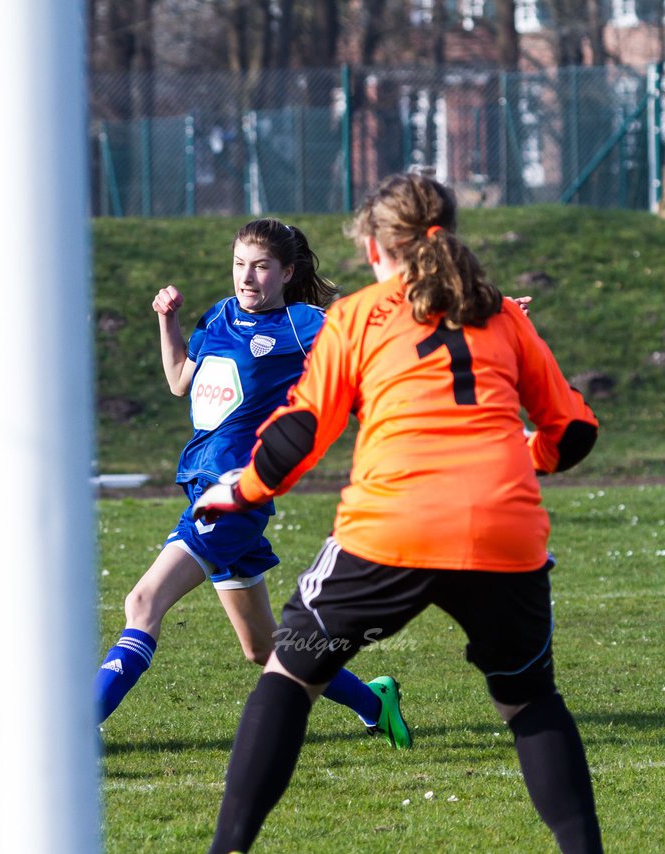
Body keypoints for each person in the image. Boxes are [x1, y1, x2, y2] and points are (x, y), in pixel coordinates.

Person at [194, 173, 601, 853]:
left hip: (392, 528)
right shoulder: (502, 314)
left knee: (290, 677)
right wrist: (516, 455)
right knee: (529, 702)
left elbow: (299, 435)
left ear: (377, 248)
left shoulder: (356, 315)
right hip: (504, 533)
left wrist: (241, 491)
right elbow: (574, 433)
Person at [93, 217, 409, 748]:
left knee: (143, 602)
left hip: (234, 500)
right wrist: (166, 322)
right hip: (203, 489)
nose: (247, 277)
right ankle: (375, 702)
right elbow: (178, 383)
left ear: (286, 272)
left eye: (261, 267)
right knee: (263, 648)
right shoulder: (218, 315)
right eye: (240, 264)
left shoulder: (302, 323)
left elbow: (375, 340)